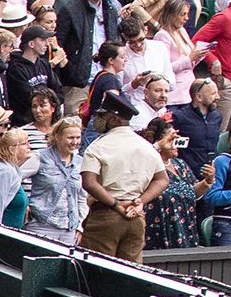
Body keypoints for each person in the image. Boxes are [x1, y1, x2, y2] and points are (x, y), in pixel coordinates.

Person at [79, 91, 167, 258]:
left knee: (97, 273)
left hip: (105, 217)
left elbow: (89, 182)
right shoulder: (146, 146)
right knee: (131, 276)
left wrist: (115, 204)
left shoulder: (98, 146)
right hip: (135, 216)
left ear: (113, 119)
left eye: (102, 116)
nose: (97, 120)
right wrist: (140, 202)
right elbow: (162, 180)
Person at [25, 115, 91, 242]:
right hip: (41, 226)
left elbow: (82, 198)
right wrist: (24, 204)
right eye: (70, 138)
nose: (75, 142)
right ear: (58, 137)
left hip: (69, 229)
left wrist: (79, 225)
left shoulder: (80, 163)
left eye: (78, 137)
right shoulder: (41, 157)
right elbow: (15, 177)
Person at [141, 117, 204, 246]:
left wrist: (207, 181)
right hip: (159, 229)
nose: (176, 143)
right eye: (172, 140)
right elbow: (139, 161)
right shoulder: (149, 164)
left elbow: (193, 192)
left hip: (185, 228)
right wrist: (158, 146)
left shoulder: (180, 164)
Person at [0, 121, 35, 223]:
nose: (29, 146)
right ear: (11, 149)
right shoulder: (4, 172)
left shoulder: (13, 170)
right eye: (24, 143)